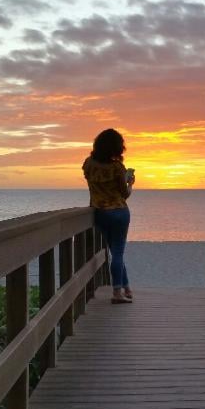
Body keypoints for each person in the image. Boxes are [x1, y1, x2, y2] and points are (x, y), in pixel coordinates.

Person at [82, 128, 134, 304]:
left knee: (115, 252)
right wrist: (130, 183)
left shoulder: (88, 164)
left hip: (99, 213)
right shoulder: (117, 167)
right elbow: (124, 194)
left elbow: (92, 186)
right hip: (119, 212)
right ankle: (117, 293)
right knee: (118, 252)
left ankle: (126, 288)